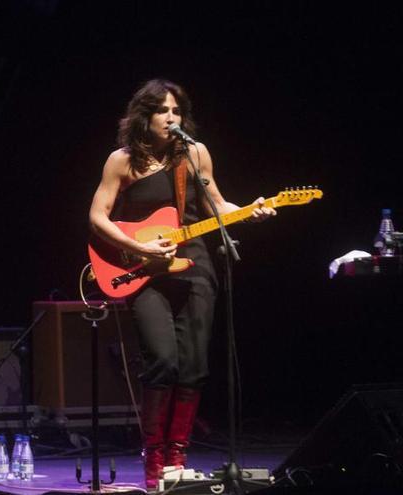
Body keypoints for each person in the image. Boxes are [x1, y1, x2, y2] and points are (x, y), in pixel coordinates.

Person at [88, 79, 275, 490]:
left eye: (176, 111)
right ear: (144, 116)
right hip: (145, 268)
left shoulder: (194, 153)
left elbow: (217, 203)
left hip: (196, 263)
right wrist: (138, 249)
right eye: (162, 111)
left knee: (193, 365)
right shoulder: (121, 161)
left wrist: (251, 210)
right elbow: (98, 216)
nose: (171, 118)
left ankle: (177, 456)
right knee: (163, 359)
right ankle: (153, 458)